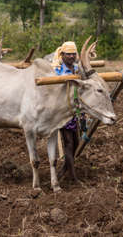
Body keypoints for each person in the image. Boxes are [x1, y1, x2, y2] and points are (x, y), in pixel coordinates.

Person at [52, 41, 86, 182]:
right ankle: (73, 176)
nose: (71, 56)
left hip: (76, 110)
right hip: (63, 110)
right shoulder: (58, 70)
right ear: (62, 54)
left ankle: (64, 170)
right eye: (68, 54)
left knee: (77, 143)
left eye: (73, 53)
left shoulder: (77, 69)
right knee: (68, 143)